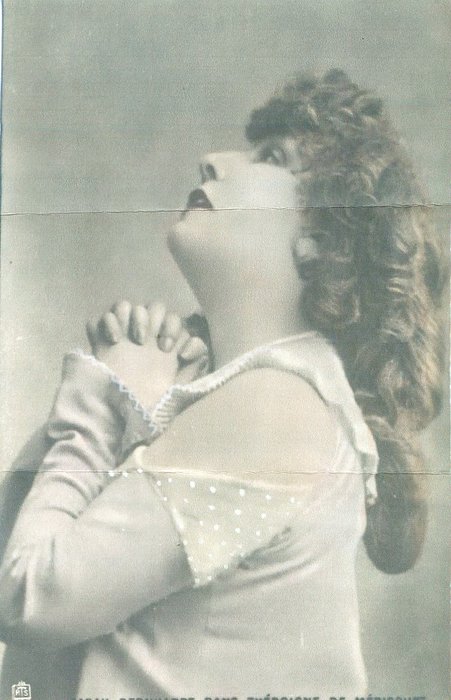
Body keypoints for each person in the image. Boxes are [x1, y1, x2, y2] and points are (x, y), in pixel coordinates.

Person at [0, 69, 446, 698]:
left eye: (272, 158)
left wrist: (104, 400)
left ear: (321, 238)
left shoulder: (276, 406)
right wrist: (132, 409)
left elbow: (29, 599)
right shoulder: (255, 398)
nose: (212, 159)